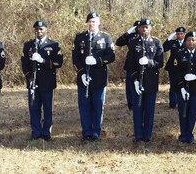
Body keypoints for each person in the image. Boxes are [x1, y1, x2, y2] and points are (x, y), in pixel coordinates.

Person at [72, 12, 115, 141]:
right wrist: (82, 73)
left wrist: (98, 61)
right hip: (83, 78)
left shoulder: (105, 38)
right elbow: (75, 58)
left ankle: (96, 131)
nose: (91, 24)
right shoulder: (80, 37)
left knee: (98, 105)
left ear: (99, 23)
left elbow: (111, 56)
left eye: (94, 21)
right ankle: (86, 132)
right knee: (84, 106)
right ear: (87, 23)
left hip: (99, 78)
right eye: (89, 21)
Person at [21, 20, 63, 141]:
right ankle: (36, 131)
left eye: (41, 29)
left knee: (48, 108)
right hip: (33, 82)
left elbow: (58, 63)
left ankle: (46, 132)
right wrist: (29, 76)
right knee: (34, 108)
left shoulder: (54, 45)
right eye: (37, 29)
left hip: (47, 82)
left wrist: (43, 61)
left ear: (46, 29)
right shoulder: (28, 45)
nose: (39, 31)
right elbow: (24, 64)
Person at [128, 19, 163, 142]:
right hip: (137, 81)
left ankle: (147, 135)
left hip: (151, 81)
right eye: (142, 27)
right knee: (137, 110)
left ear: (150, 28)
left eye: (147, 27)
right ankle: (138, 135)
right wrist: (135, 80)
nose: (144, 29)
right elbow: (130, 65)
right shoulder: (133, 43)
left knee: (149, 110)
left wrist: (149, 62)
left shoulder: (157, 43)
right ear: (139, 29)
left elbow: (160, 62)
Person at [174, 31, 196, 143]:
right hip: (182, 88)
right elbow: (176, 72)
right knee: (182, 111)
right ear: (185, 41)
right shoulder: (179, 53)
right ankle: (183, 134)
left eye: (193, 40)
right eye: (189, 40)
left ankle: (190, 134)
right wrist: (181, 87)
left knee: (192, 111)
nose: (191, 42)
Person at [115, 20, 141, 110]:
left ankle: (140, 103)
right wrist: (127, 33)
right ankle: (131, 105)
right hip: (131, 63)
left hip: (142, 63)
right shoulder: (130, 36)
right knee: (130, 85)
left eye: (139, 27)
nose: (138, 29)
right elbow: (118, 42)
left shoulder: (145, 36)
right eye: (136, 27)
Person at [163, 27, 186, 109]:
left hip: (184, 68)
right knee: (173, 85)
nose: (180, 35)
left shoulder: (188, 42)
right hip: (172, 67)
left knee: (183, 85)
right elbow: (163, 48)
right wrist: (169, 38)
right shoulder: (173, 42)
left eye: (181, 34)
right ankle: (172, 103)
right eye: (178, 34)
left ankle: (183, 101)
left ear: (184, 34)